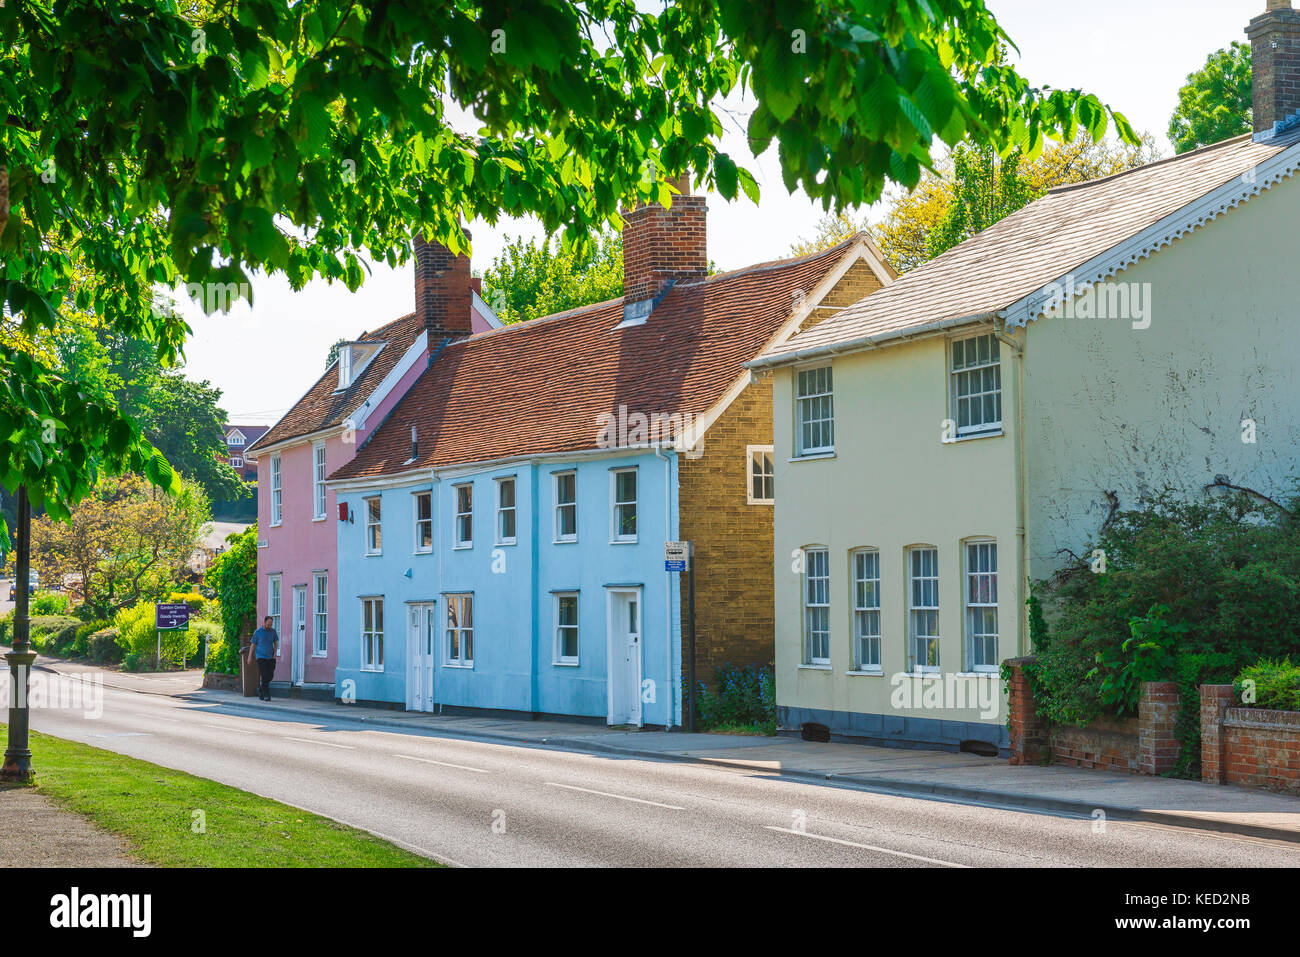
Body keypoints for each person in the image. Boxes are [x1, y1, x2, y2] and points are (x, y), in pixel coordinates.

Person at [250, 615, 279, 701]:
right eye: (268, 625)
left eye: (270, 625)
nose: (269, 626)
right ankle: (267, 694)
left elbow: (276, 643)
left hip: (270, 657)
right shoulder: (258, 632)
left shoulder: (273, 632)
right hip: (260, 657)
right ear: (264, 622)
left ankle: (260, 690)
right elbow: (253, 645)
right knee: (264, 675)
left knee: (270, 676)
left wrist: (275, 654)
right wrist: (249, 657)